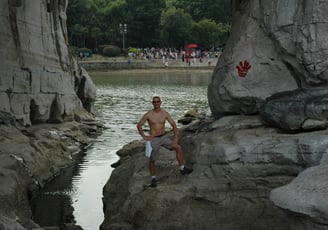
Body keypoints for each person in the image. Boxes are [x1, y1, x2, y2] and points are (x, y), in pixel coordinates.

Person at [137, 96, 193, 187]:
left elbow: (174, 125)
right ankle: (153, 178)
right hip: (154, 139)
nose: (156, 103)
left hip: (163, 137)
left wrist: (175, 138)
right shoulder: (149, 114)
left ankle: (182, 168)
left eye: (158, 101)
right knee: (152, 159)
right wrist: (144, 136)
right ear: (152, 103)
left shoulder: (164, 113)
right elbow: (139, 125)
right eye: (154, 102)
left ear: (160, 102)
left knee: (177, 147)